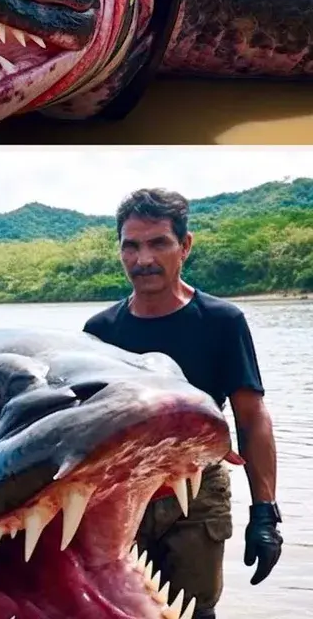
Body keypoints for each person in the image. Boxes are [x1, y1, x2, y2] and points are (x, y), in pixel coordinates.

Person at [84, 188, 282, 619]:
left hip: (197, 486)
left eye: (158, 243)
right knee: (115, 607)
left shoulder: (221, 322)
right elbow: (83, 425)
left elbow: (252, 418)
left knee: (194, 611)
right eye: (131, 246)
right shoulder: (99, 330)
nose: (143, 259)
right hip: (121, 485)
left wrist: (265, 511)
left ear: (185, 246)